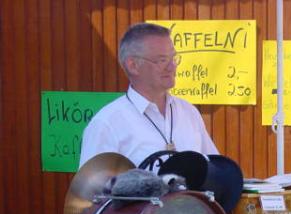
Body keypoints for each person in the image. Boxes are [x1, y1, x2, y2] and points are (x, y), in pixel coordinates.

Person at [80, 23, 219, 168]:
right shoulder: (107, 124)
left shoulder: (188, 112)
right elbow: (91, 188)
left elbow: (214, 169)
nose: (172, 66)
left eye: (173, 58)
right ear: (133, 65)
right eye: (162, 60)